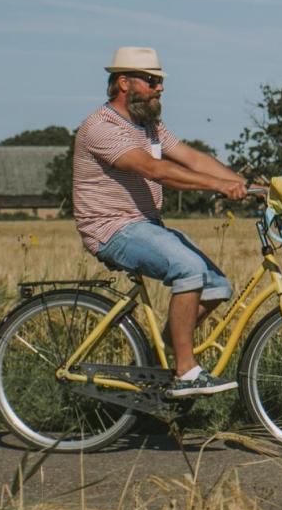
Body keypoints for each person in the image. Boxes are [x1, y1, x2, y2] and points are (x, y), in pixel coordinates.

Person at [71, 47, 250, 397]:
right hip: (112, 228)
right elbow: (156, 170)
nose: (160, 88)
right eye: (152, 81)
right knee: (188, 269)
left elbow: (192, 158)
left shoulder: (149, 126)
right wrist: (219, 186)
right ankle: (186, 371)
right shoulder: (101, 127)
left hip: (145, 224)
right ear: (123, 83)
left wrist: (245, 184)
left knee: (217, 285)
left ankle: (163, 358)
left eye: (160, 81)